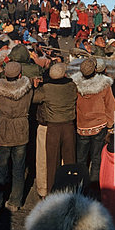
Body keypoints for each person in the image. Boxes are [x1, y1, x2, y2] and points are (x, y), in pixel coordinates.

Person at [0, 60, 33, 211]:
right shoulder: (28, 90)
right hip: (21, 132)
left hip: (3, 132)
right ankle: (15, 202)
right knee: (19, 168)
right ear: (20, 74)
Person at [33, 62, 78, 193]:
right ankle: (71, 190)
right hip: (69, 126)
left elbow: (34, 98)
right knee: (70, 160)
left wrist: (35, 86)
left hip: (53, 128)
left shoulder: (46, 88)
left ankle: (52, 191)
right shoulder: (71, 86)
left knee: (52, 162)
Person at [72, 57, 115, 183]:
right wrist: (110, 124)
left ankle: (81, 185)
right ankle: (95, 186)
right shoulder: (104, 85)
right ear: (95, 70)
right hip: (99, 126)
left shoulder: (75, 85)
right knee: (97, 159)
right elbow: (111, 106)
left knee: (81, 159)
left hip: (81, 127)